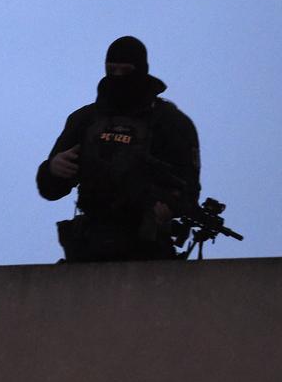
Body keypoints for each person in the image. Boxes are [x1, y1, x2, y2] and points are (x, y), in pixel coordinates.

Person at [36, 36, 201, 262]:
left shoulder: (171, 123)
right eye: (112, 70)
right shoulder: (85, 119)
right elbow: (50, 189)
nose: (118, 77)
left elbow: (189, 190)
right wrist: (53, 169)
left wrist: (170, 207)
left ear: (141, 70)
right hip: (91, 243)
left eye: (126, 70)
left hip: (148, 248)